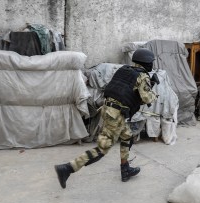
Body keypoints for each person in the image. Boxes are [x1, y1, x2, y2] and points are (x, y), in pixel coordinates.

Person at [54, 48, 158, 189]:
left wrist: (147, 85)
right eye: (151, 62)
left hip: (109, 110)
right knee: (101, 149)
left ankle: (125, 169)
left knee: (127, 136)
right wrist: (153, 89)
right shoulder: (142, 76)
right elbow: (146, 98)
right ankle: (68, 168)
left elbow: (126, 90)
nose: (152, 65)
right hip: (116, 115)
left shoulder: (124, 70)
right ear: (146, 63)